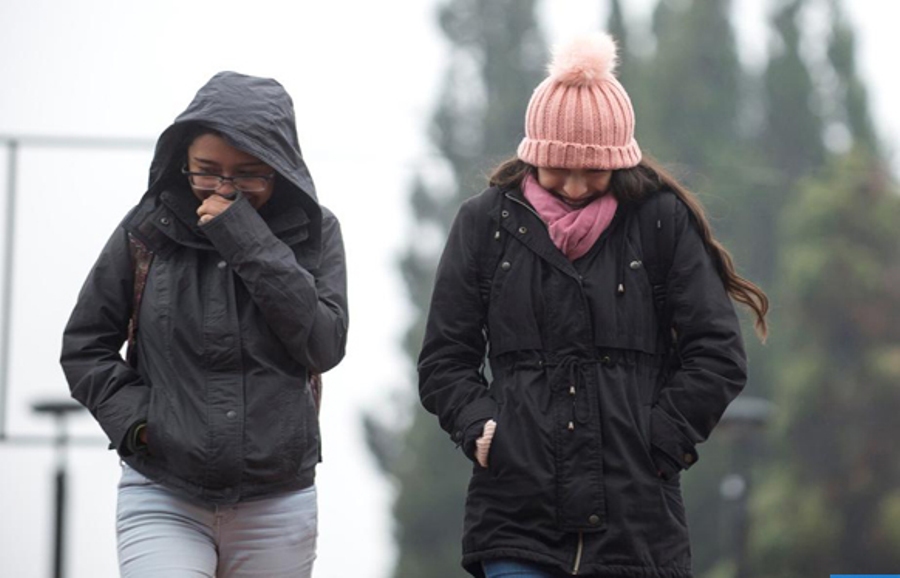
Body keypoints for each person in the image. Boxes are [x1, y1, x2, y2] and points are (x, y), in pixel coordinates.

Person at [418, 33, 768, 578]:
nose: (576, 186)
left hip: (638, 525)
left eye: (594, 170)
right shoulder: (484, 223)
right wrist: (484, 429)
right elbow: (444, 361)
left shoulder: (660, 221)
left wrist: (661, 442)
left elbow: (718, 353)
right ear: (532, 155)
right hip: (515, 517)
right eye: (559, 168)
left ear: (621, 161)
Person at [60, 71, 348, 578]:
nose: (225, 188)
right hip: (163, 492)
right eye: (207, 170)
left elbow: (323, 343)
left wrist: (244, 237)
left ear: (279, 168)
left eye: (248, 173)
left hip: (279, 499)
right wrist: (141, 425)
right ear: (182, 162)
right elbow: (85, 346)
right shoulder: (145, 228)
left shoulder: (316, 231)